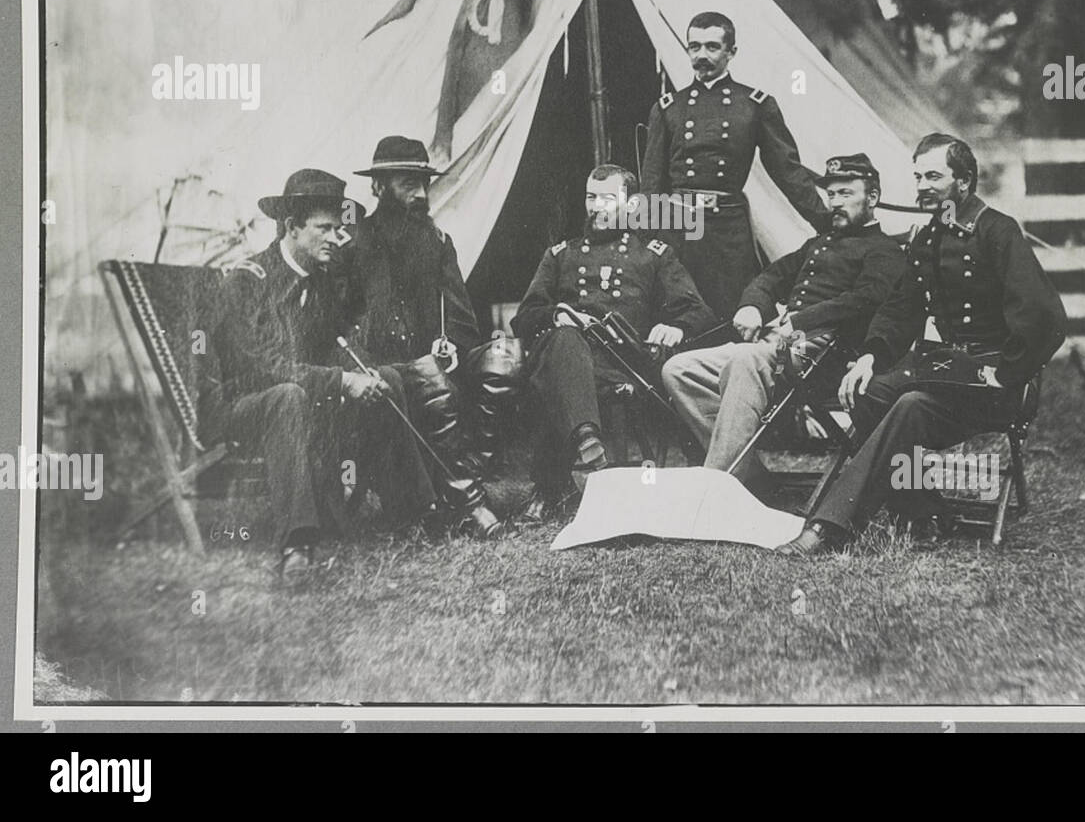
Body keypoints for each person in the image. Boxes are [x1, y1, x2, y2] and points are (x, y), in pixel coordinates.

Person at [777, 134, 1068, 556]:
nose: (922, 186)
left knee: (910, 405)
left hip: (1001, 386)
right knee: (869, 390)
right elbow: (901, 307)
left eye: (934, 176)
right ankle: (922, 509)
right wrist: (870, 356)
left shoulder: (997, 231)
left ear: (964, 182)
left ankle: (829, 527)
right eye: (918, 176)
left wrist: (1006, 372)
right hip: (949, 376)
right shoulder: (930, 236)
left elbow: (1047, 319)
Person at [197, 170, 486, 585]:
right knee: (287, 396)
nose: (337, 238)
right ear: (292, 228)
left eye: (340, 228)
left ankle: (414, 513)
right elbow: (257, 368)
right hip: (237, 405)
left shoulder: (322, 282)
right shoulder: (249, 281)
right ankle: (298, 545)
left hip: (298, 395)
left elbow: (334, 344)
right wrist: (341, 382)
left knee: (383, 376)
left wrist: (365, 373)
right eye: (325, 228)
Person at [661, 154, 905, 489]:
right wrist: (752, 307)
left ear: (872, 198)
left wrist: (800, 322)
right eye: (831, 195)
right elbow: (772, 276)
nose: (835, 203)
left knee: (746, 358)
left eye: (846, 194)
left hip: (825, 357)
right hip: (777, 349)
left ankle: (717, 485)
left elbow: (865, 300)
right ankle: (746, 473)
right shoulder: (818, 243)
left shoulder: (885, 250)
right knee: (678, 369)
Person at [511, 164, 716, 522]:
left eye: (607, 199)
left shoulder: (652, 255)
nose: (596, 208)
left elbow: (698, 310)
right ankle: (586, 440)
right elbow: (525, 316)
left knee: (556, 369)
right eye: (591, 197)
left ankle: (550, 485)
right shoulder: (560, 255)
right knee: (562, 342)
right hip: (567, 358)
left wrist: (675, 327)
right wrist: (556, 316)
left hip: (622, 361)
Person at [347, 135, 519, 518]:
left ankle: (474, 470)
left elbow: (461, 319)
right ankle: (470, 500)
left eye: (424, 184)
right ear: (378, 187)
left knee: (504, 356)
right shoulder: (353, 246)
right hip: (381, 371)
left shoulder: (438, 243)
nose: (421, 194)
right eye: (408, 184)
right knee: (425, 374)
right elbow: (341, 324)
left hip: (439, 368)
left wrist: (453, 346)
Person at [639, 11, 829, 320]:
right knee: (676, 314)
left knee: (731, 315)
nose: (702, 55)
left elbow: (789, 172)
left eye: (712, 47)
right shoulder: (668, 108)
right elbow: (650, 184)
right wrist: (647, 244)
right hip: (679, 227)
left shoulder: (754, 105)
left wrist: (827, 224)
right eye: (695, 46)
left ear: (732, 52)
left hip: (727, 230)